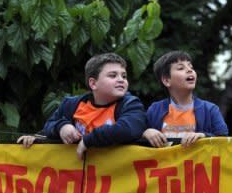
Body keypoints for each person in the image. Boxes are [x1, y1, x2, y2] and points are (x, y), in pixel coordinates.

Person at [17, 53, 147, 159]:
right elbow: (49, 126)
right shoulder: (71, 104)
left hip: (113, 181)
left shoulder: (131, 104)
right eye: (113, 75)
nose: (121, 79)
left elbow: (129, 129)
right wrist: (62, 127)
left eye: (124, 76)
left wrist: (88, 140)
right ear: (93, 83)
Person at [143, 50, 228, 148]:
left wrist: (204, 136)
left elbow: (224, 138)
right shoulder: (154, 109)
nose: (189, 70)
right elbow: (134, 134)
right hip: (166, 163)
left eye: (191, 67)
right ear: (166, 80)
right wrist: (146, 132)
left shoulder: (210, 109)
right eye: (181, 68)